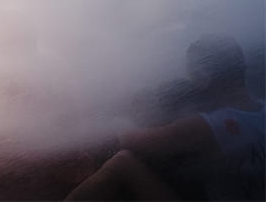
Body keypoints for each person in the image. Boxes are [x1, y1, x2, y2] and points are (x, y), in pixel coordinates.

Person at [66, 34, 264, 201]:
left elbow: (134, 141)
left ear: (204, 74)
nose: (191, 79)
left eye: (192, 71)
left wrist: (117, 122)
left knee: (122, 162)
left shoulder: (209, 126)